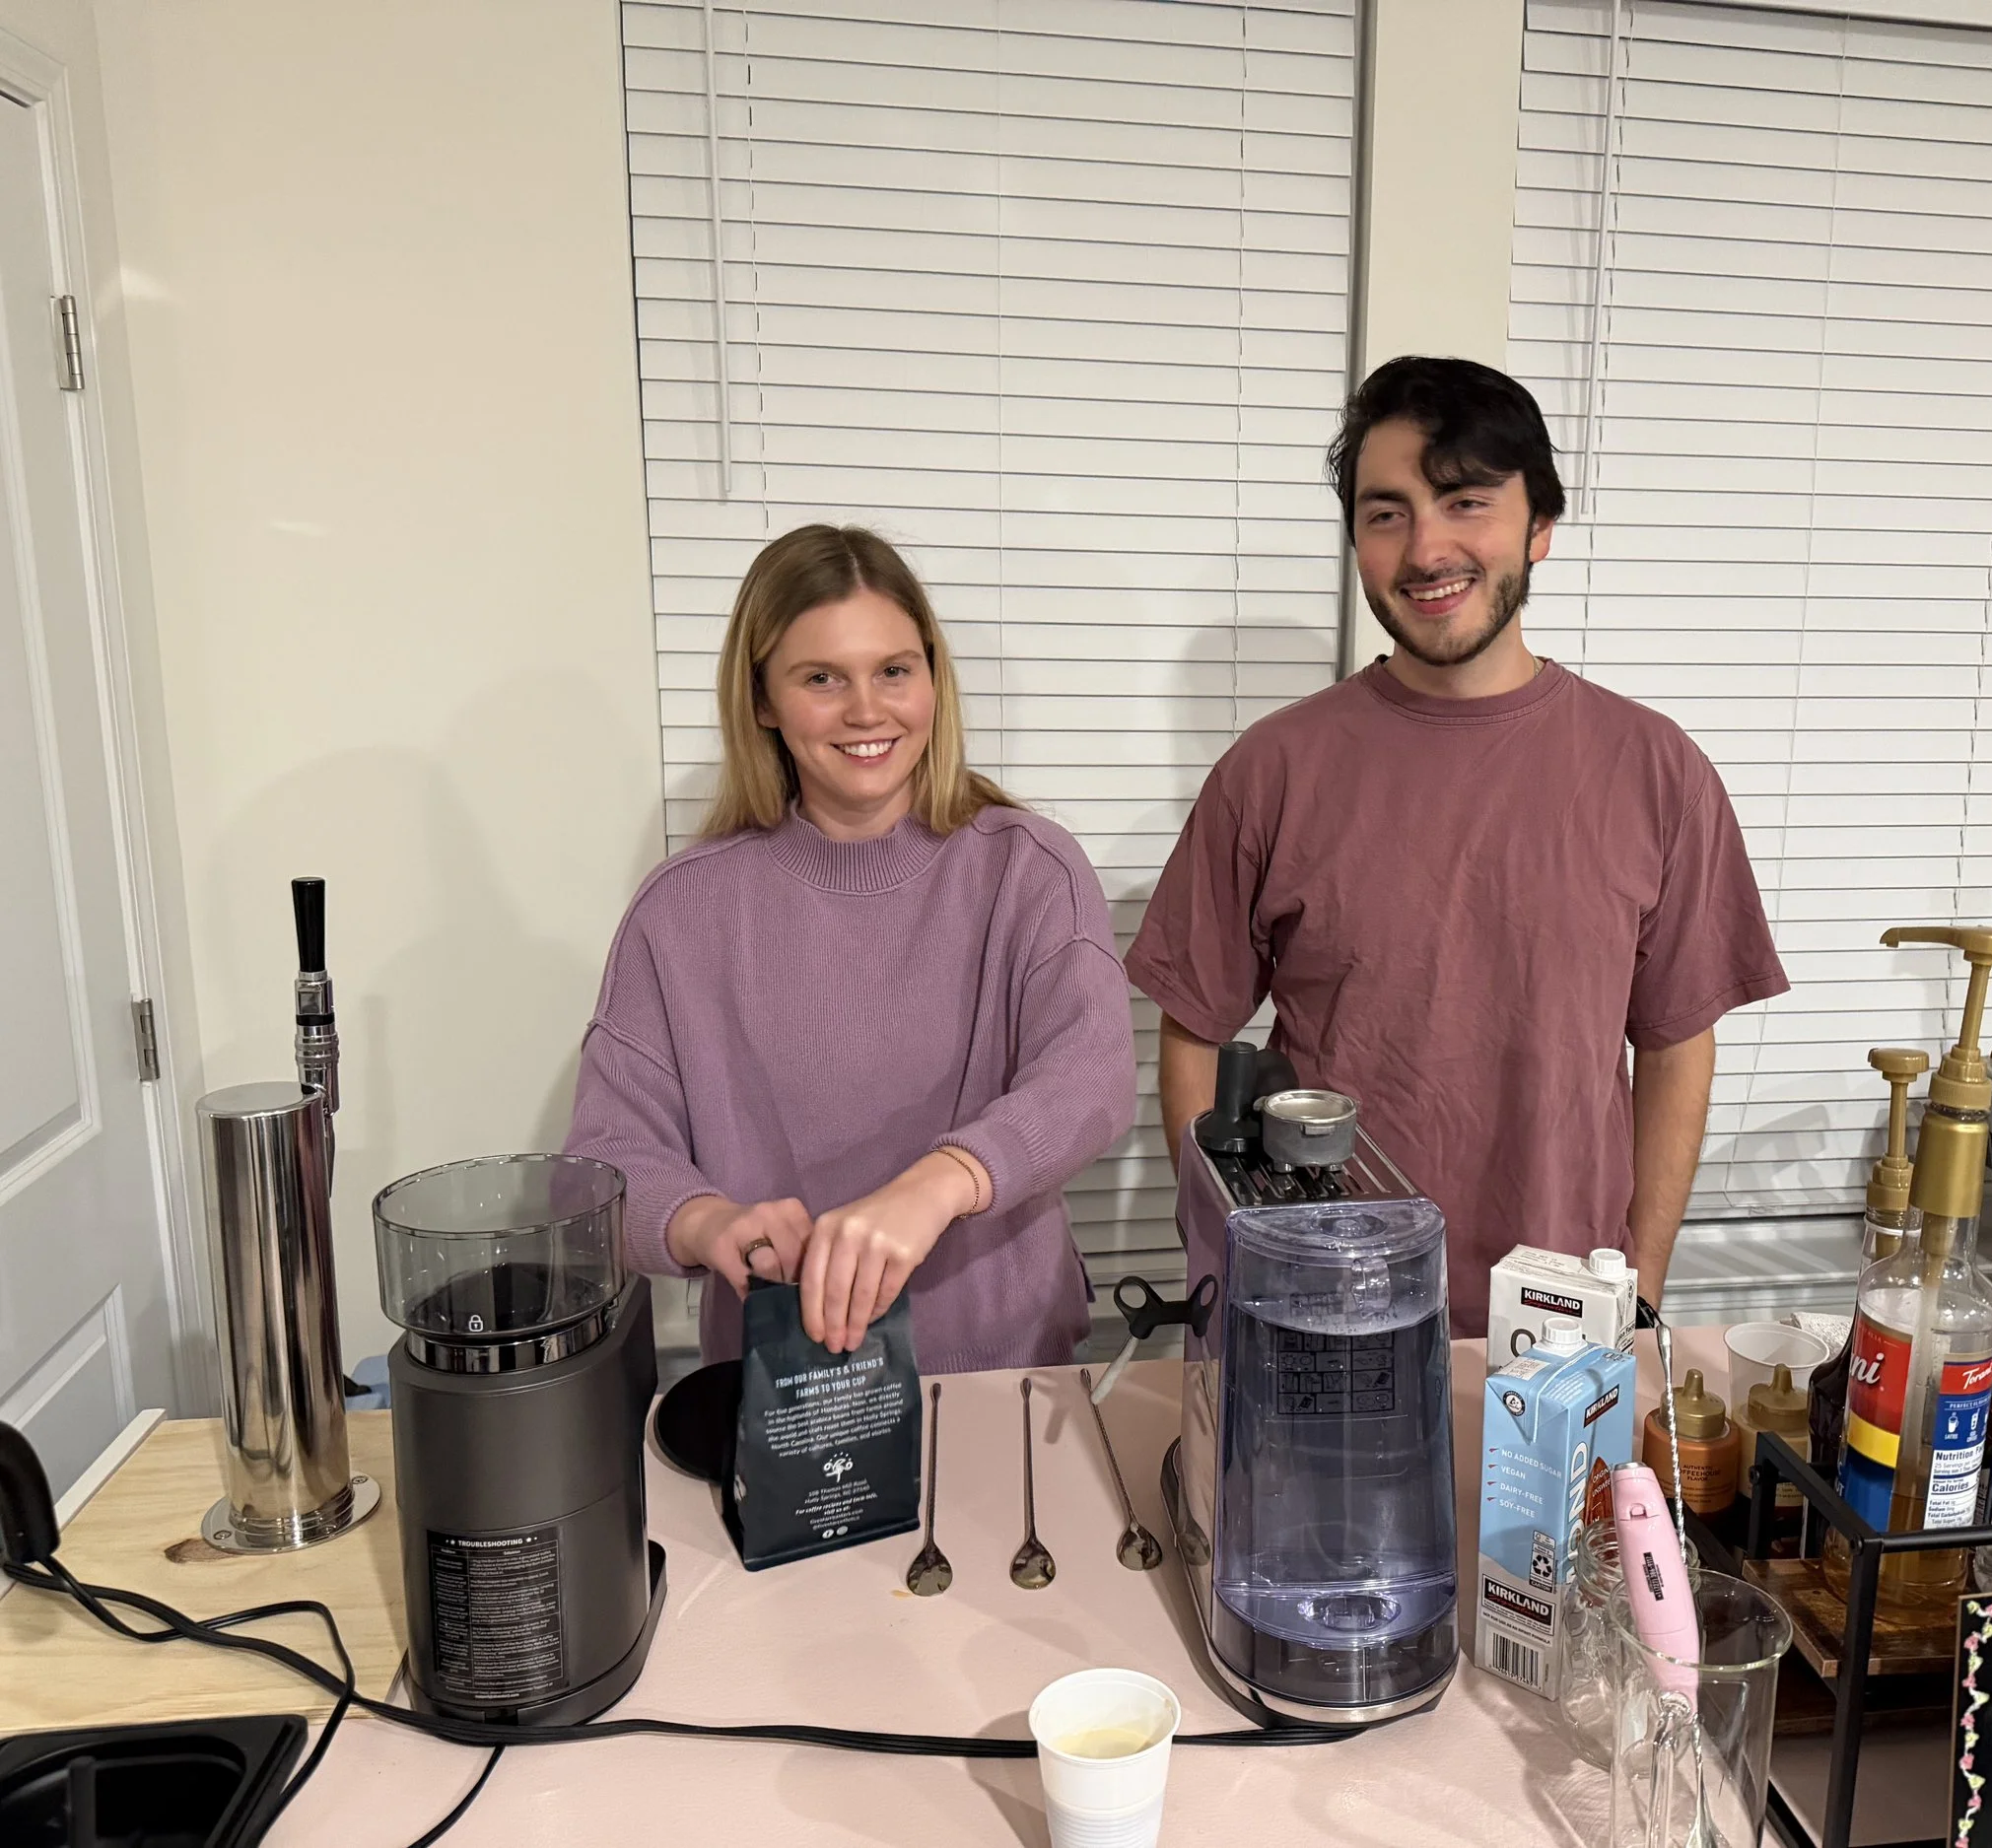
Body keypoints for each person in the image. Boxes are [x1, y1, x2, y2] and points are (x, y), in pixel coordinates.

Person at [1128, 357, 1786, 1335]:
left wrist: (1639, 1284)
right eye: (1386, 512)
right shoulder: (1273, 769)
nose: (1425, 548)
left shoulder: (1653, 770)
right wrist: (1231, 1259)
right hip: (1324, 1320)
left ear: (1541, 525)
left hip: (1563, 1326)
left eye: (1465, 501)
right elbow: (1193, 1032)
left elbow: (1676, 1042)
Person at [565, 524, 1135, 1372]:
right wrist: (705, 1223)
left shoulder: (1029, 869)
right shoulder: (680, 911)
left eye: (893, 671)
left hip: (1005, 1371)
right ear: (761, 699)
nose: (866, 710)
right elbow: (607, 1164)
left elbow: (1091, 1080)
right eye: (822, 678)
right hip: (784, 1389)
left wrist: (935, 1186)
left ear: (932, 680)